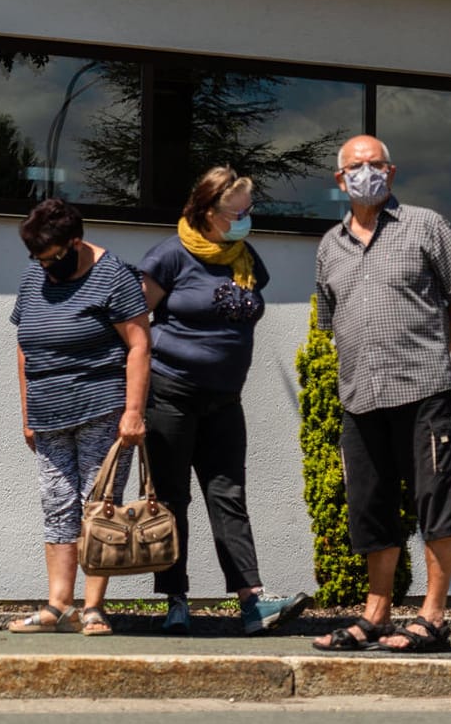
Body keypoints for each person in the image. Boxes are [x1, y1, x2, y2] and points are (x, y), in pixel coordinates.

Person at [311, 135, 451, 653]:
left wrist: (434, 352)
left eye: (376, 165)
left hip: (423, 391)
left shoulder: (425, 225)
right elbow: (328, 320)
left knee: (435, 503)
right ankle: (376, 613)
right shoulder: (328, 245)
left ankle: (433, 617)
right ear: (340, 181)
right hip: (360, 396)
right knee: (371, 507)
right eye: (357, 167)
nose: (368, 173)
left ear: (391, 171)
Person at [139, 167, 309, 636]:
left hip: (224, 399)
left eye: (248, 209)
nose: (245, 218)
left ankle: (252, 602)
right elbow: (134, 325)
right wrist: (130, 401)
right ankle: (175, 600)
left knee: (228, 495)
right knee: (173, 499)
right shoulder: (169, 257)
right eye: (238, 211)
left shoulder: (246, 257)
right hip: (170, 392)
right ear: (208, 210)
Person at [9, 197, 150, 636]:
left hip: (101, 410)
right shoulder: (35, 277)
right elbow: (24, 345)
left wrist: (133, 412)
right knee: (57, 506)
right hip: (49, 414)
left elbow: (139, 344)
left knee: (98, 507)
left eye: (52, 257)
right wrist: (27, 411)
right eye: (38, 258)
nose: (46, 267)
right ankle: (58, 606)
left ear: (75, 242)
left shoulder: (115, 276)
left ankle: (92, 608)